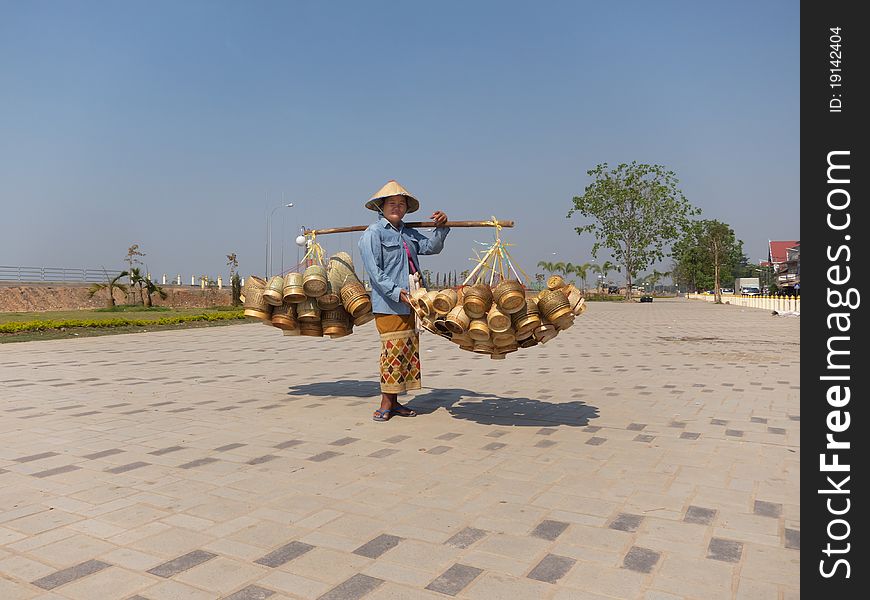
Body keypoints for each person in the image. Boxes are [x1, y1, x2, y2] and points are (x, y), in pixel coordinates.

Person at [359, 180, 449, 422]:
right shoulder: (372, 234)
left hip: (414, 301)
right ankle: (386, 402)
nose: (397, 207)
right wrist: (398, 292)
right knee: (392, 352)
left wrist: (441, 227)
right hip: (390, 303)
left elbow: (432, 247)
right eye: (392, 203)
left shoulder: (409, 233)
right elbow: (375, 273)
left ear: (406, 209)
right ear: (382, 207)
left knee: (407, 351)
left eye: (401, 204)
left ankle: (396, 402)